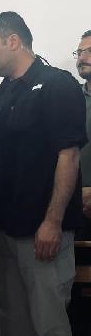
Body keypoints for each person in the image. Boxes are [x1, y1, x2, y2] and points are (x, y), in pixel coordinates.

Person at [0, 12, 86, 336]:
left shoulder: (57, 85)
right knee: (14, 323)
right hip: (2, 231)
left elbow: (68, 155)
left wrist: (53, 221)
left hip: (41, 230)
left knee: (49, 327)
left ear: (13, 42)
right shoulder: (2, 93)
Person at [76, 30, 91, 234]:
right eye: (79, 52)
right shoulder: (71, 99)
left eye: (89, 51)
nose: (81, 57)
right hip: (74, 206)